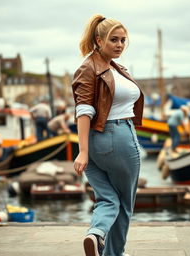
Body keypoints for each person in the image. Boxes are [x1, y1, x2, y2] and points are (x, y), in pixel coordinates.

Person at [72, 14, 144, 256]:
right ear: (98, 40)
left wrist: (83, 151)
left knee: (107, 199)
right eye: (114, 39)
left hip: (93, 143)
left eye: (123, 40)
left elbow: (85, 110)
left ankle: (96, 234)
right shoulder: (90, 67)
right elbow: (83, 109)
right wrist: (83, 152)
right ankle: (115, 254)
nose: (120, 45)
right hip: (118, 136)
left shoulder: (113, 67)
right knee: (124, 204)